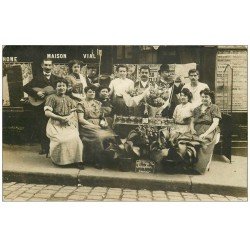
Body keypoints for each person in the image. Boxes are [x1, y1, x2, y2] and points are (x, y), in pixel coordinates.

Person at [23, 58, 61, 155]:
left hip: (54, 107)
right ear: (42, 66)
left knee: (55, 126)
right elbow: (25, 87)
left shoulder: (57, 79)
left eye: (49, 65)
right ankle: (45, 148)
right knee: (42, 127)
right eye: (46, 65)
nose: (48, 67)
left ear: (52, 66)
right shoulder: (37, 78)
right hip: (40, 107)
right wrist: (37, 93)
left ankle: (55, 148)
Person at [44, 79, 84, 168]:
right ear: (56, 87)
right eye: (59, 86)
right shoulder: (51, 97)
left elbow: (73, 112)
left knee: (76, 139)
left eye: (63, 86)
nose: (61, 88)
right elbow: (47, 113)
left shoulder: (68, 98)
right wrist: (60, 118)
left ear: (66, 87)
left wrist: (68, 118)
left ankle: (77, 161)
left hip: (67, 123)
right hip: (55, 124)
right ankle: (60, 161)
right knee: (61, 140)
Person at [77, 86, 117, 168]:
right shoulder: (81, 104)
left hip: (99, 124)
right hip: (86, 125)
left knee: (112, 135)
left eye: (93, 92)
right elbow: (81, 119)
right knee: (98, 137)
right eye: (90, 92)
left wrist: (104, 122)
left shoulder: (98, 103)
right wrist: (93, 126)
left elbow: (101, 116)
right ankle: (97, 160)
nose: (92, 93)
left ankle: (110, 160)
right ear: (85, 93)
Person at [190, 88, 221, 174]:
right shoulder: (197, 109)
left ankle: (199, 168)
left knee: (203, 142)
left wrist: (205, 133)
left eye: (206, 97)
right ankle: (189, 164)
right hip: (197, 129)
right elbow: (192, 122)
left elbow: (215, 123)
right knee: (187, 141)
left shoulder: (214, 107)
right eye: (202, 97)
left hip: (210, 129)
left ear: (210, 98)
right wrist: (192, 129)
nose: (204, 99)